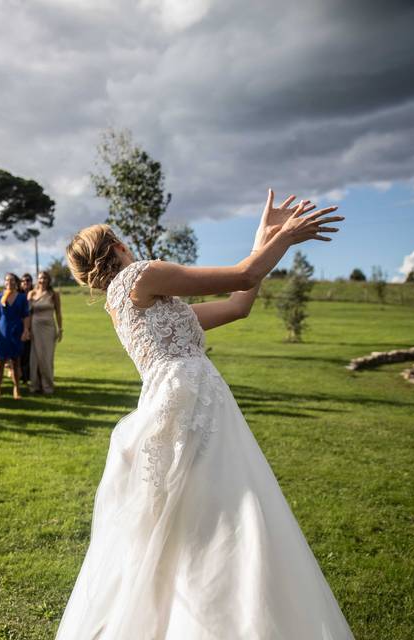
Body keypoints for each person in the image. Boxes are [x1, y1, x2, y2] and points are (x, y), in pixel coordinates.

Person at [55, 192, 351, 639]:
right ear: (117, 247)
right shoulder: (143, 274)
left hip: (177, 403)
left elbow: (238, 304)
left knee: (193, 521)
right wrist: (284, 238)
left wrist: (263, 235)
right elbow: (246, 273)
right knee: (224, 512)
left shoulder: (135, 305)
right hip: (191, 403)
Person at [0, 273, 31, 399]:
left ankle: (16, 389)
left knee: (16, 362)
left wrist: (25, 330)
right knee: (0, 362)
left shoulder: (22, 298)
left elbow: (26, 316)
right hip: (2, 332)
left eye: (12, 280)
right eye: (7, 280)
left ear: (16, 282)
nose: (9, 282)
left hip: (16, 332)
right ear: (4, 282)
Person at [27, 271, 62, 395]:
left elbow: (58, 313)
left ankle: (47, 386)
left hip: (49, 328)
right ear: (37, 279)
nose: (42, 280)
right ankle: (35, 386)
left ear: (48, 280)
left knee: (47, 358)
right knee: (34, 358)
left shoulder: (53, 294)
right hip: (35, 327)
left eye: (45, 278)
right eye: (40, 278)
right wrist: (27, 330)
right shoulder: (31, 294)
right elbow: (28, 314)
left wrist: (60, 329)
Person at [19, 273, 34, 383]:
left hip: (33, 326)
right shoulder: (18, 296)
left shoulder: (34, 295)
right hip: (20, 326)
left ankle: (27, 376)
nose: (26, 283)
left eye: (28, 280)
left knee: (29, 352)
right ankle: (20, 375)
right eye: (23, 281)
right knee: (20, 352)